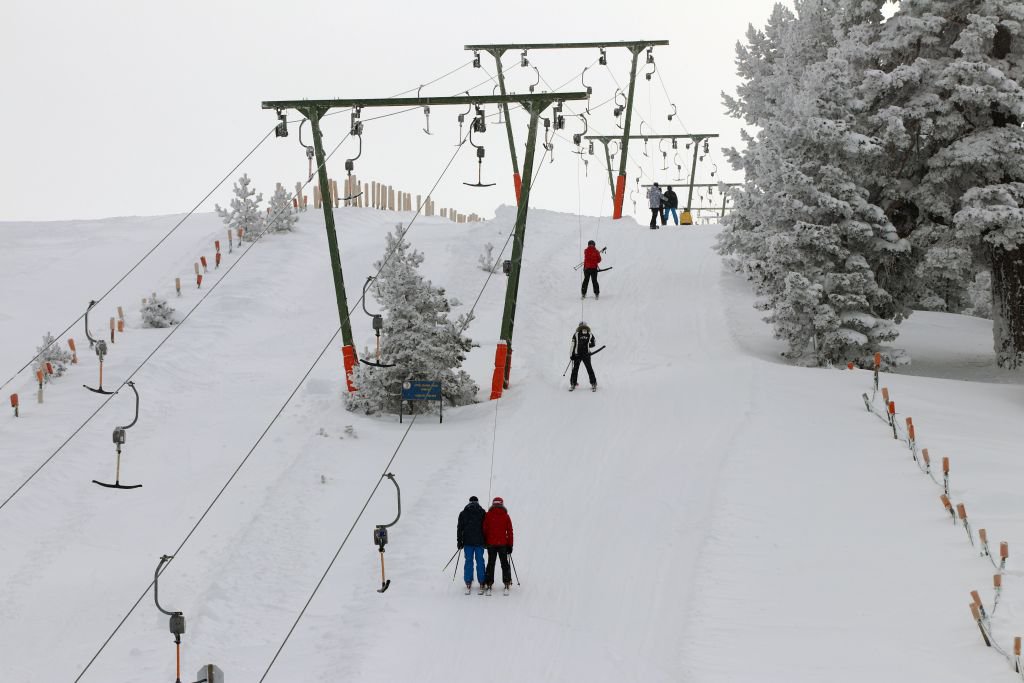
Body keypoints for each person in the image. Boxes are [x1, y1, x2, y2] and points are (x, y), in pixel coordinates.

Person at [482, 496, 514, 595]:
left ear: (493, 503)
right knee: (504, 563)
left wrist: (485, 541)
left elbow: (485, 529)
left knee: (491, 563)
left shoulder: (488, 515)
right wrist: (510, 545)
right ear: (502, 504)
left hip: (491, 543)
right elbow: (510, 531)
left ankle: (489, 583)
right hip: (503, 544)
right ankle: (507, 582)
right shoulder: (506, 515)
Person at [457, 495, 487, 595]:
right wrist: (486, 541)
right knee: (480, 561)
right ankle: (482, 582)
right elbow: (486, 528)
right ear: (478, 502)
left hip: (468, 542)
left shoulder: (463, 513)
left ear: (469, 502)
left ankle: (468, 582)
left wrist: (459, 542)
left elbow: (459, 529)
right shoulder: (482, 512)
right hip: (479, 542)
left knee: (468, 561)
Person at [569, 321, 597, 391]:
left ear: (579, 326)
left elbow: (573, 345)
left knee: (575, 369)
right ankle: (593, 383)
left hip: (577, 355)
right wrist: (587, 345)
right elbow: (593, 344)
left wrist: (571, 355)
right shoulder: (590, 334)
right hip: (586, 354)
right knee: (589, 369)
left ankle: (573, 383)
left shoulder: (576, 334)